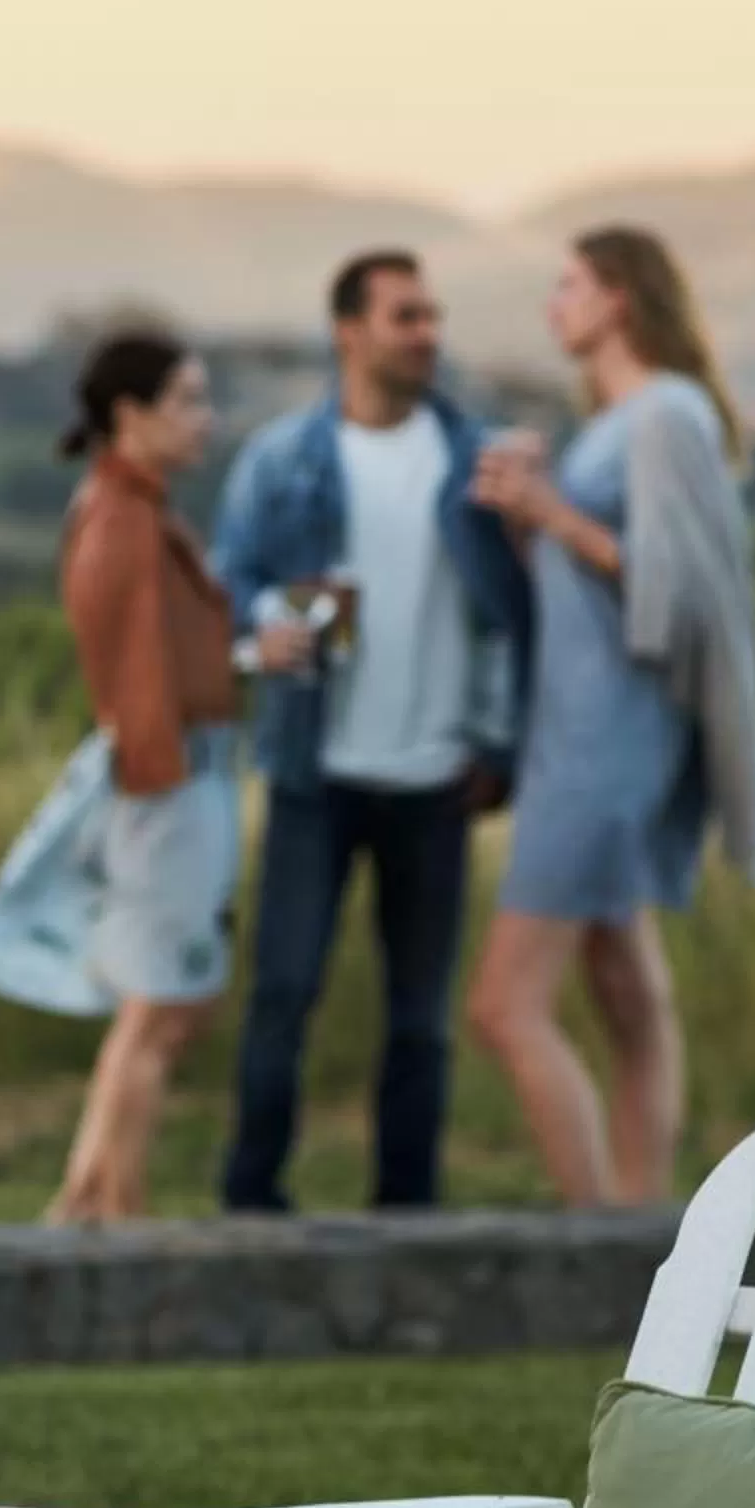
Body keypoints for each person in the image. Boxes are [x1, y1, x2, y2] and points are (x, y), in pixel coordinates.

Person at [464, 226, 755, 1207]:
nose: (552, 304)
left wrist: (553, 512)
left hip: (610, 749)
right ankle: (646, 1231)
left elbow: (687, 593)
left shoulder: (665, 417)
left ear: (621, 297)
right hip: (579, 732)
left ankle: (598, 1233)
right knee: (627, 996)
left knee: (504, 1006)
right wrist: (528, 518)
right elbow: (591, 590)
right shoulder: (614, 424)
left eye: (570, 285)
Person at [211, 251, 532, 1214]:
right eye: (406, 316)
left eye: (433, 316)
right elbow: (231, 589)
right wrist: (260, 631)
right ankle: (251, 1203)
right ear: (348, 330)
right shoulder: (284, 460)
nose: (427, 333)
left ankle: (408, 1215)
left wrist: (499, 744)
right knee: (282, 997)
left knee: (422, 1023)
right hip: (317, 771)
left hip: (437, 778)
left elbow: (513, 618)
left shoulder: (478, 465)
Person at [0, 331, 237, 1224]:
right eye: (189, 400)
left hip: (179, 782)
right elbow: (128, 672)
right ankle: (117, 1214)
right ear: (133, 414)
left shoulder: (141, 509)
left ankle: (85, 1199)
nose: (206, 419)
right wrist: (160, 792)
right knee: (157, 1008)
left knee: (167, 1007)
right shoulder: (121, 519)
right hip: (165, 787)